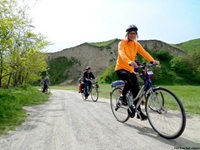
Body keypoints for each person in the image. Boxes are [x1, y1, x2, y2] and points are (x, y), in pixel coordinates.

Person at [115, 24, 159, 120]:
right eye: (131, 33)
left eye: (134, 33)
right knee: (130, 79)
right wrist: (130, 62)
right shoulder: (122, 43)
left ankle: (139, 112)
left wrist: (152, 61)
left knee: (136, 91)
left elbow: (144, 52)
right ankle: (122, 97)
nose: (132, 35)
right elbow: (121, 54)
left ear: (136, 34)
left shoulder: (136, 45)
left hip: (130, 70)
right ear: (127, 34)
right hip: (120, 69)